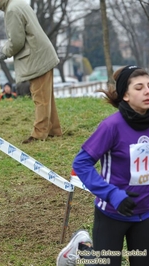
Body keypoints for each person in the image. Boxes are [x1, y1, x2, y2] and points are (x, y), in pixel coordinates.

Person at [57, 66, 149, 266]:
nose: (147, 91)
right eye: (139, 87)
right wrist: (113, 195)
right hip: (112, 213)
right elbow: (81, 164)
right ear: (125, 95)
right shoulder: (111, 126)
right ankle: (82, 249)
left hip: (145, 213)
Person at [0, 0, 62, 144]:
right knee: (46, 97)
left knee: (40, 98)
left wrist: (4, 51)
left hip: (36, 58)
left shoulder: (12, 9)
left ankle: (39, 134)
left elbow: (17, 41)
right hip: (41, 54)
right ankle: (54, 130)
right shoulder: (19, 4)